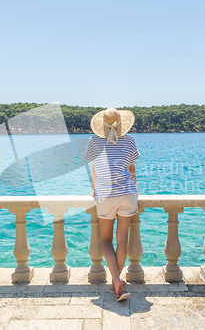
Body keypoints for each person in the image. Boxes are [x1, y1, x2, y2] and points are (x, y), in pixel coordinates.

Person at [84, 107, 140, 302]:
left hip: (105, 196)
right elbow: (132, 170)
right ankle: (117, 282)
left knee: (106, 240)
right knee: (122, 239)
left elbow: (95, 171)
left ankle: (116, 280)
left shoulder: (94, 141)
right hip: (127, 194)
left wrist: (93, 188)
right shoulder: (129, 141)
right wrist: (135, 188)